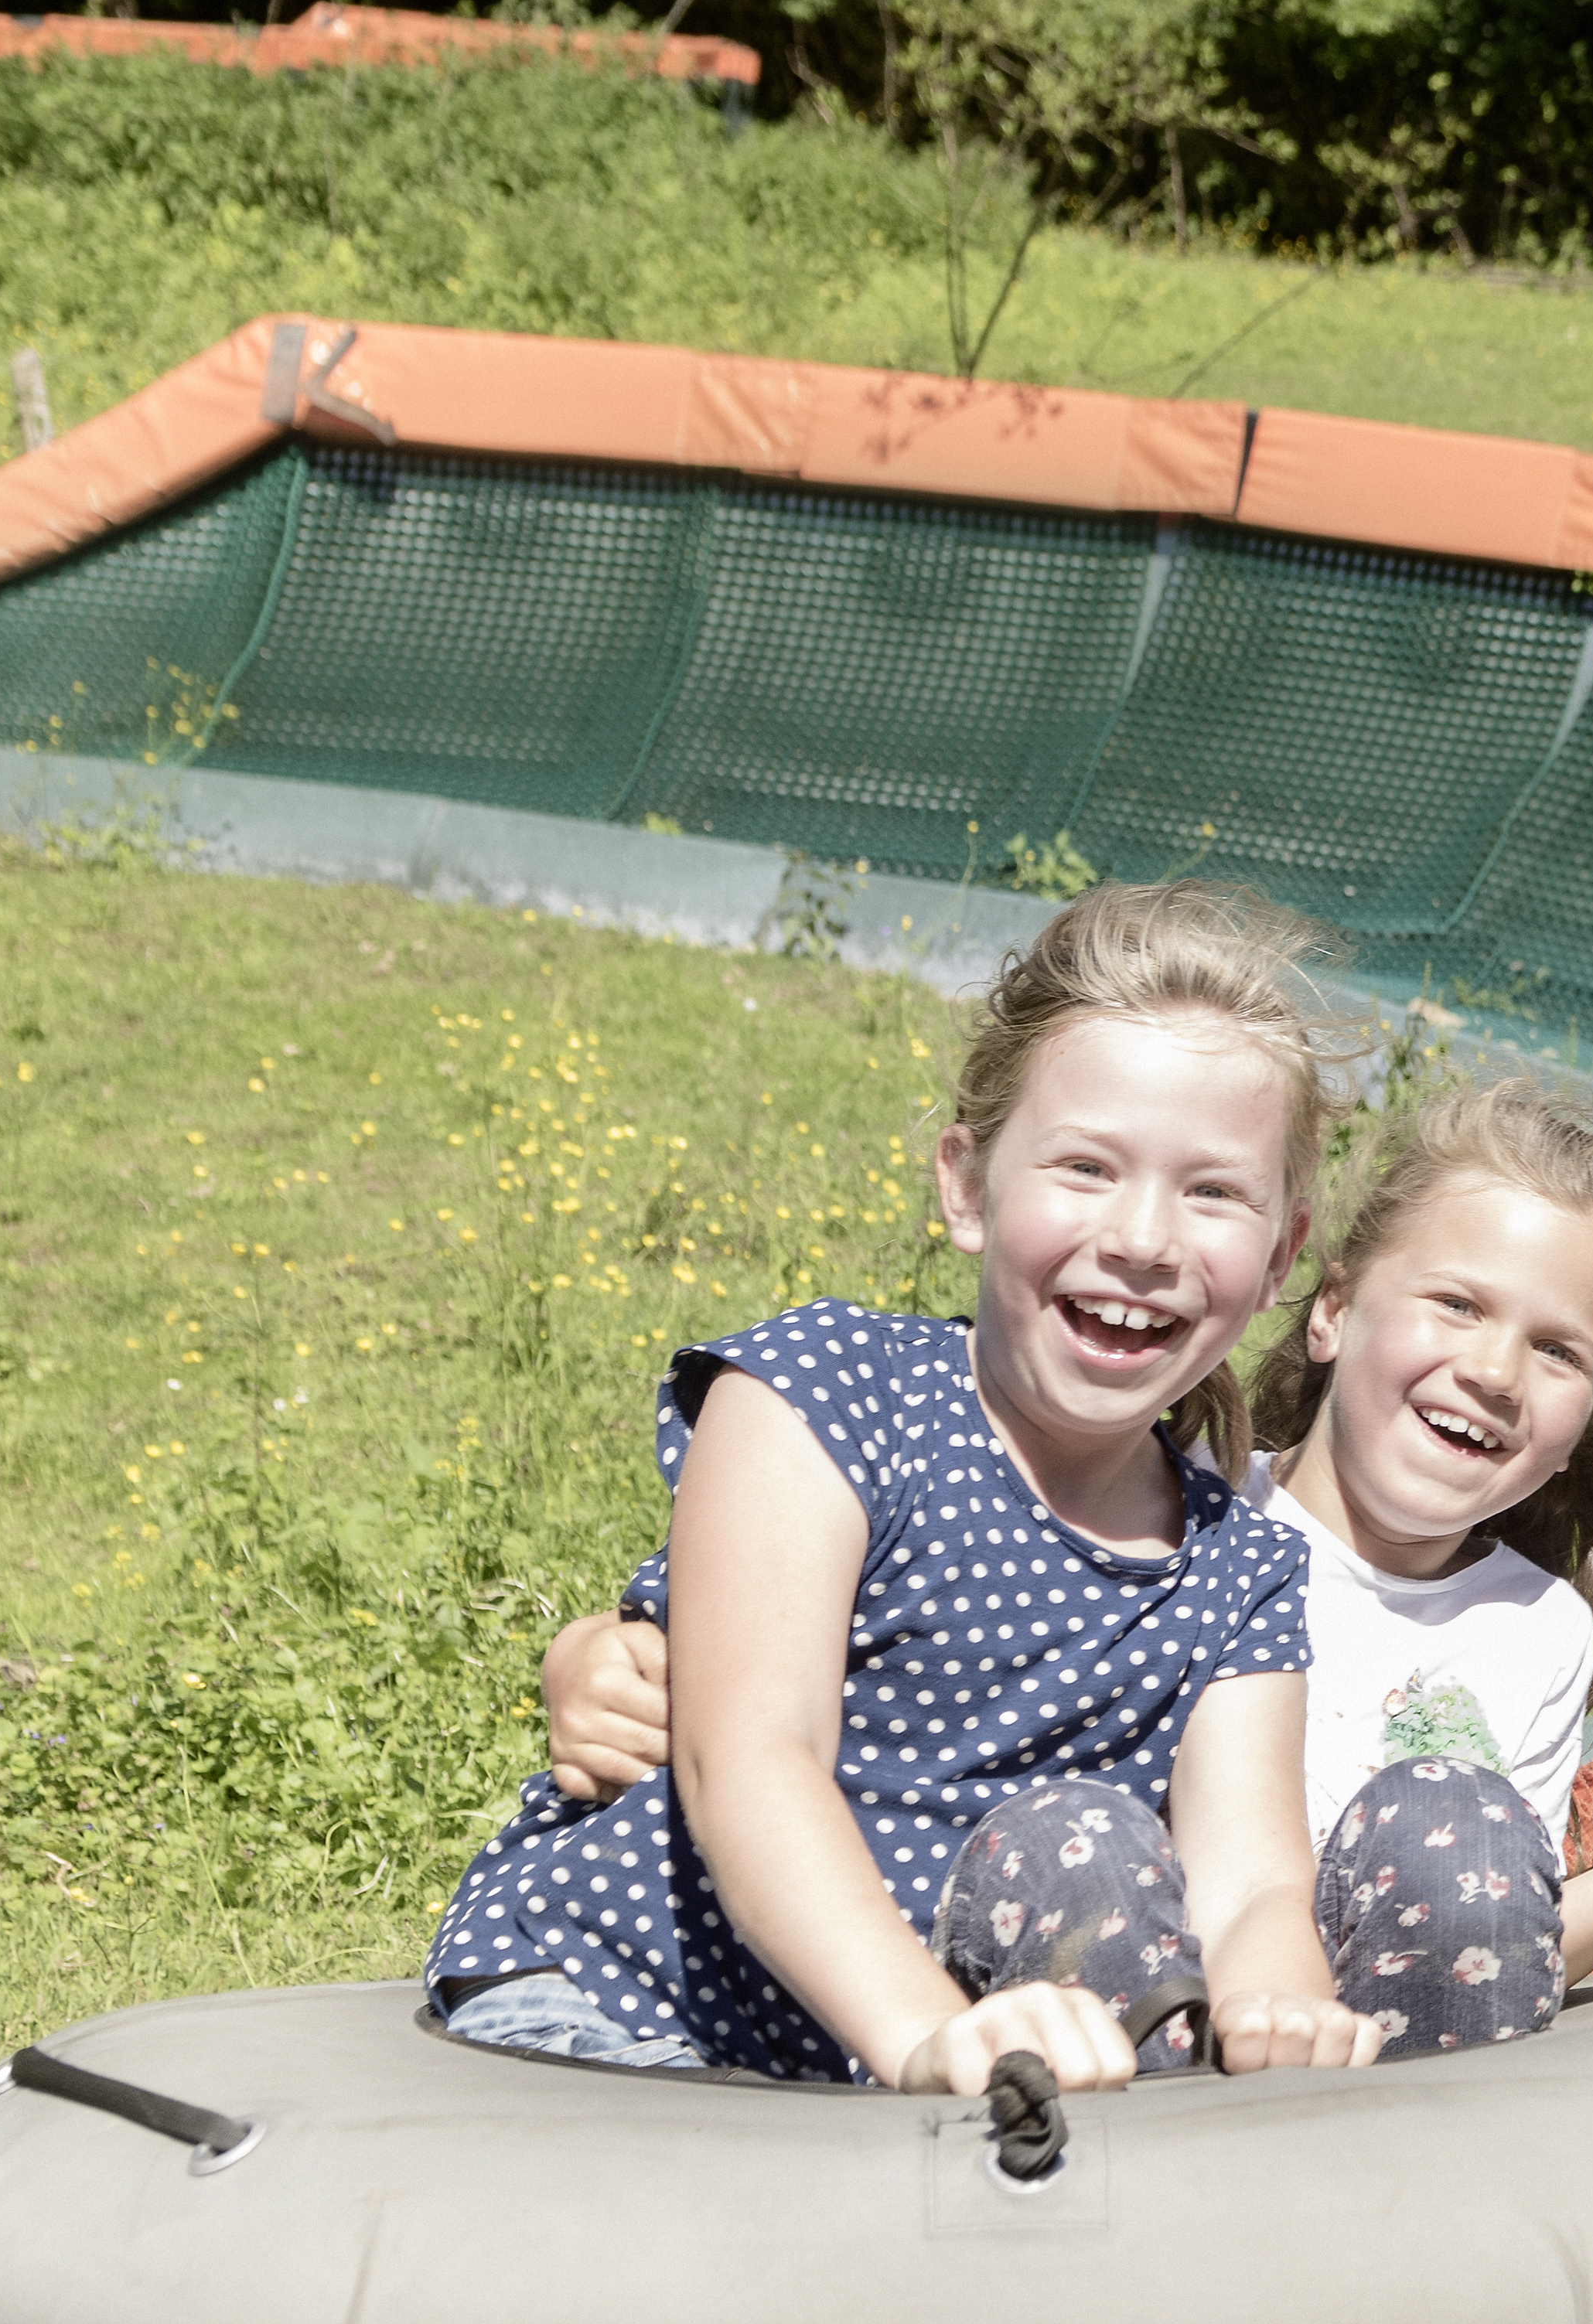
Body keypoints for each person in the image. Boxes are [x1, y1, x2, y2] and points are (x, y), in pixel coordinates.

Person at [534, 1073, 1593, 2053]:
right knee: (1090, 1843)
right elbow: (854, 1623)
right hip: (1111, 2007)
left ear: (1589, 1410)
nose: (1493, 1370)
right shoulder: (1184, 1518)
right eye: (1456, 1305)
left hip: (1350, 2070)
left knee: (1450, 1819)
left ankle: (1428, 2264)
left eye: (1556, 1350)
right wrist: (601, 1656)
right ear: (1334, 1307)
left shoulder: (1534, 1636)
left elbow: (1483, 1937)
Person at [425, 882, 1383, 2097]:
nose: (1145, 1238)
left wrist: (1282, 2008)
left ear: (1282, 1255)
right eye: (1086, 1167)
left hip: (929, 2066)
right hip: (628, 2003)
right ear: (969, 1188)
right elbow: (754, 1760)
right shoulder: (826, 1398)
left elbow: (1252, 1880)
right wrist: (926, 2033)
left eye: (1212, 1192)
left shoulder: (1242, 1566)